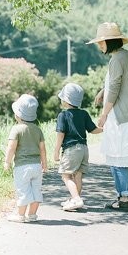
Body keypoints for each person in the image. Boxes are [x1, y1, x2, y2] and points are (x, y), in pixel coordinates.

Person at [87, 22, 128, 211]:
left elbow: (115, 88)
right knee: (127, 158)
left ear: (110, 41)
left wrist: (103, 115)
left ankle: (123, 199)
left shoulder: (116, 59)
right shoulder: (125, 56)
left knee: (117, 158)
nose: (100, 46)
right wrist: (102, 91)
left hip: (119, 116)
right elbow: (116, 82)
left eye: (101, 42)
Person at [53, 82, 102, 211]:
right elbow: (93, 130)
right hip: (84, 149)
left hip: (71, 150)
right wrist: (104, 128)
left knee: (66, 176)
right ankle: (75, 199)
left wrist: (56, 151)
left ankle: (76, 199)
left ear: (65, 100)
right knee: (78, 176)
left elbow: (60, 135)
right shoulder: (84, 114)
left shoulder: (62, 115)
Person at [4, 94, 48, 222]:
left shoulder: (16, 129)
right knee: (36, 190)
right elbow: (42, 149)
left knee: (23, 191)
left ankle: (21, 216)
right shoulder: (38, 130)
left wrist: (7, 162)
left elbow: (11, 147)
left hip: (22, 167)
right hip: (36, 166)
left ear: (17, 115)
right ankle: (32, 215)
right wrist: (44, 164)